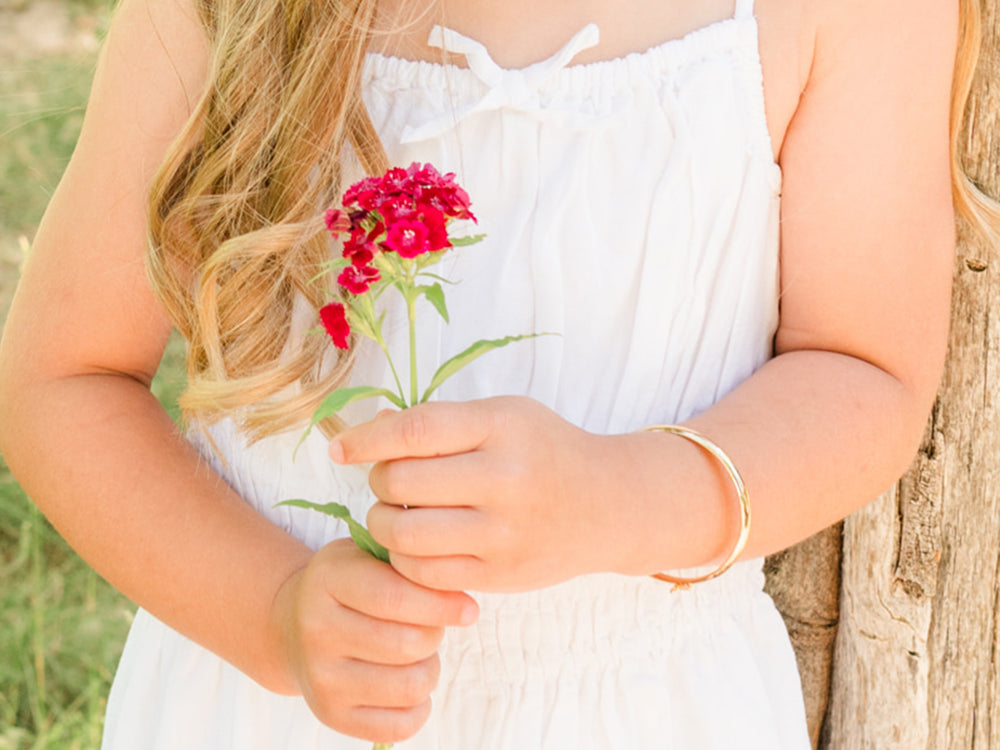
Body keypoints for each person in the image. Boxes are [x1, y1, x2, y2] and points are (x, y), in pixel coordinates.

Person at [0, 0, 979, 746]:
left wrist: (629, 494)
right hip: (275, 708)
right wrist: (268, 609)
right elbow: (64, 379)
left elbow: (863, 368)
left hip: (646, 711)